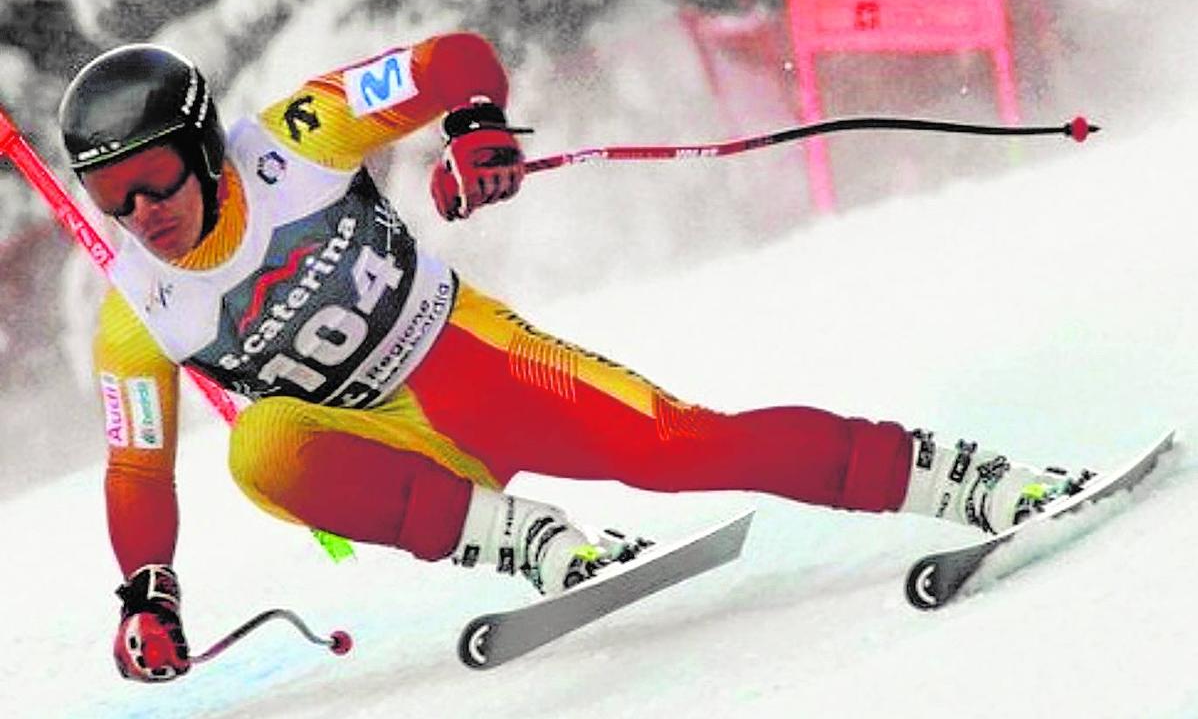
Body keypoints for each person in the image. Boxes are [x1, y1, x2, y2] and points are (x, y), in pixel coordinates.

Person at [60, 37, 1084, 684]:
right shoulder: (135, 314)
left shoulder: (298, 135)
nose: (143, 214)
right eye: (113, 200)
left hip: (474, 364)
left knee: (686, 447)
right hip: (391, 446)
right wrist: (148, 593)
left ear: (202, 148)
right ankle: (525, 540)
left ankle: (968, 479)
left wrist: (474, 127)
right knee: (262, 455)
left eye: (152, 179)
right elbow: (137, 467)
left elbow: (450, 60)